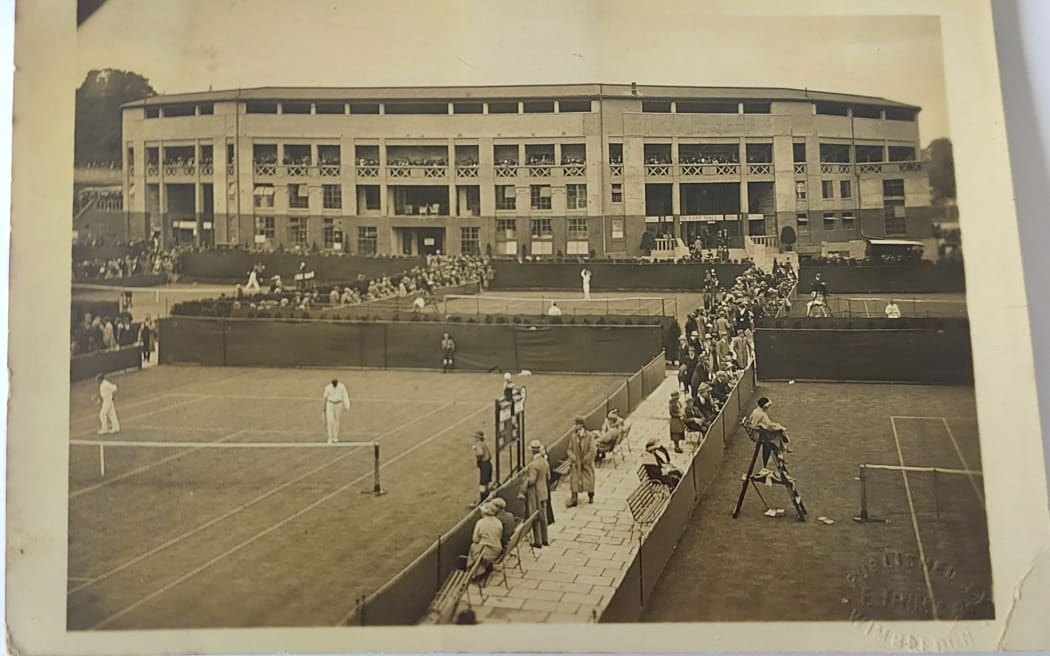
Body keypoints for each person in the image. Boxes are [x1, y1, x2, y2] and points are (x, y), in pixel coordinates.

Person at [518, 440, 551, 548]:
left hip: (535, 493)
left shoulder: (533, 465)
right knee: (543, 516)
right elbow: (548, 477)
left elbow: (532, 480)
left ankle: (538, 541)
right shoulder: (545, 461)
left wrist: (525, 479)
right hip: (544, 491)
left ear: (532, 451)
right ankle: (545, 538)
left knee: (535, 516)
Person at [747, 397, 791, 466]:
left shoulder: (755, 411)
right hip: (759, 435)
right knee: (779, 433)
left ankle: (781, 451)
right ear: (765, 406)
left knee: (777, 433)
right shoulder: (762, 415)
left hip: (756, 432)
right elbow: (769, 426)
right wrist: (779, 427)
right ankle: (781, 451)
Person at [467, 503, 504, 580]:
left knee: (473, 547)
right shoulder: (498, 522)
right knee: (478, 550)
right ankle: (481, 569)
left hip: (486, 552)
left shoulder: (480, 522)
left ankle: (475, 573)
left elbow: (475, 539)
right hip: (497, 549)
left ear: (484, 512)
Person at [565, 417, 597, 507]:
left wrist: (586, 460)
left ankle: (591, 495)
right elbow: (569, 449)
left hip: (586, 464)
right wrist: (574, 458)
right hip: (576, 464)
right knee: (574, 480)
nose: (576, 426)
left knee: (589, 480)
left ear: (582, 425)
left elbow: (592, 450)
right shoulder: (573, 436)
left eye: (577, 424)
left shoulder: (589, 436)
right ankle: (574, 498)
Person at [322, 378, 351, 444]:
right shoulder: (328, 387)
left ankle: (335, 437)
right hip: (330, 404)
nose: (334, 385)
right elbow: (325, 398)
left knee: (337, 420)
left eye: (335, 384)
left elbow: (345, 396)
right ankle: (330, 438)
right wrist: (323, 408)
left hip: (339, 404)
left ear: (337, 383)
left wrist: (347, 406)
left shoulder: (342, 386)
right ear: (332, 383)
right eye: (333, 384)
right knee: (330, 421)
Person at [470, 431, 493, 507]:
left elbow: (480, 453)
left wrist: (478, 458)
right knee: (485, 483)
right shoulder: (483, 444)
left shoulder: (479, 444)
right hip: (488, 465)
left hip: (485, 465)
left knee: (482, 484)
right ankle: (486, 499)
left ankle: (483, 502)